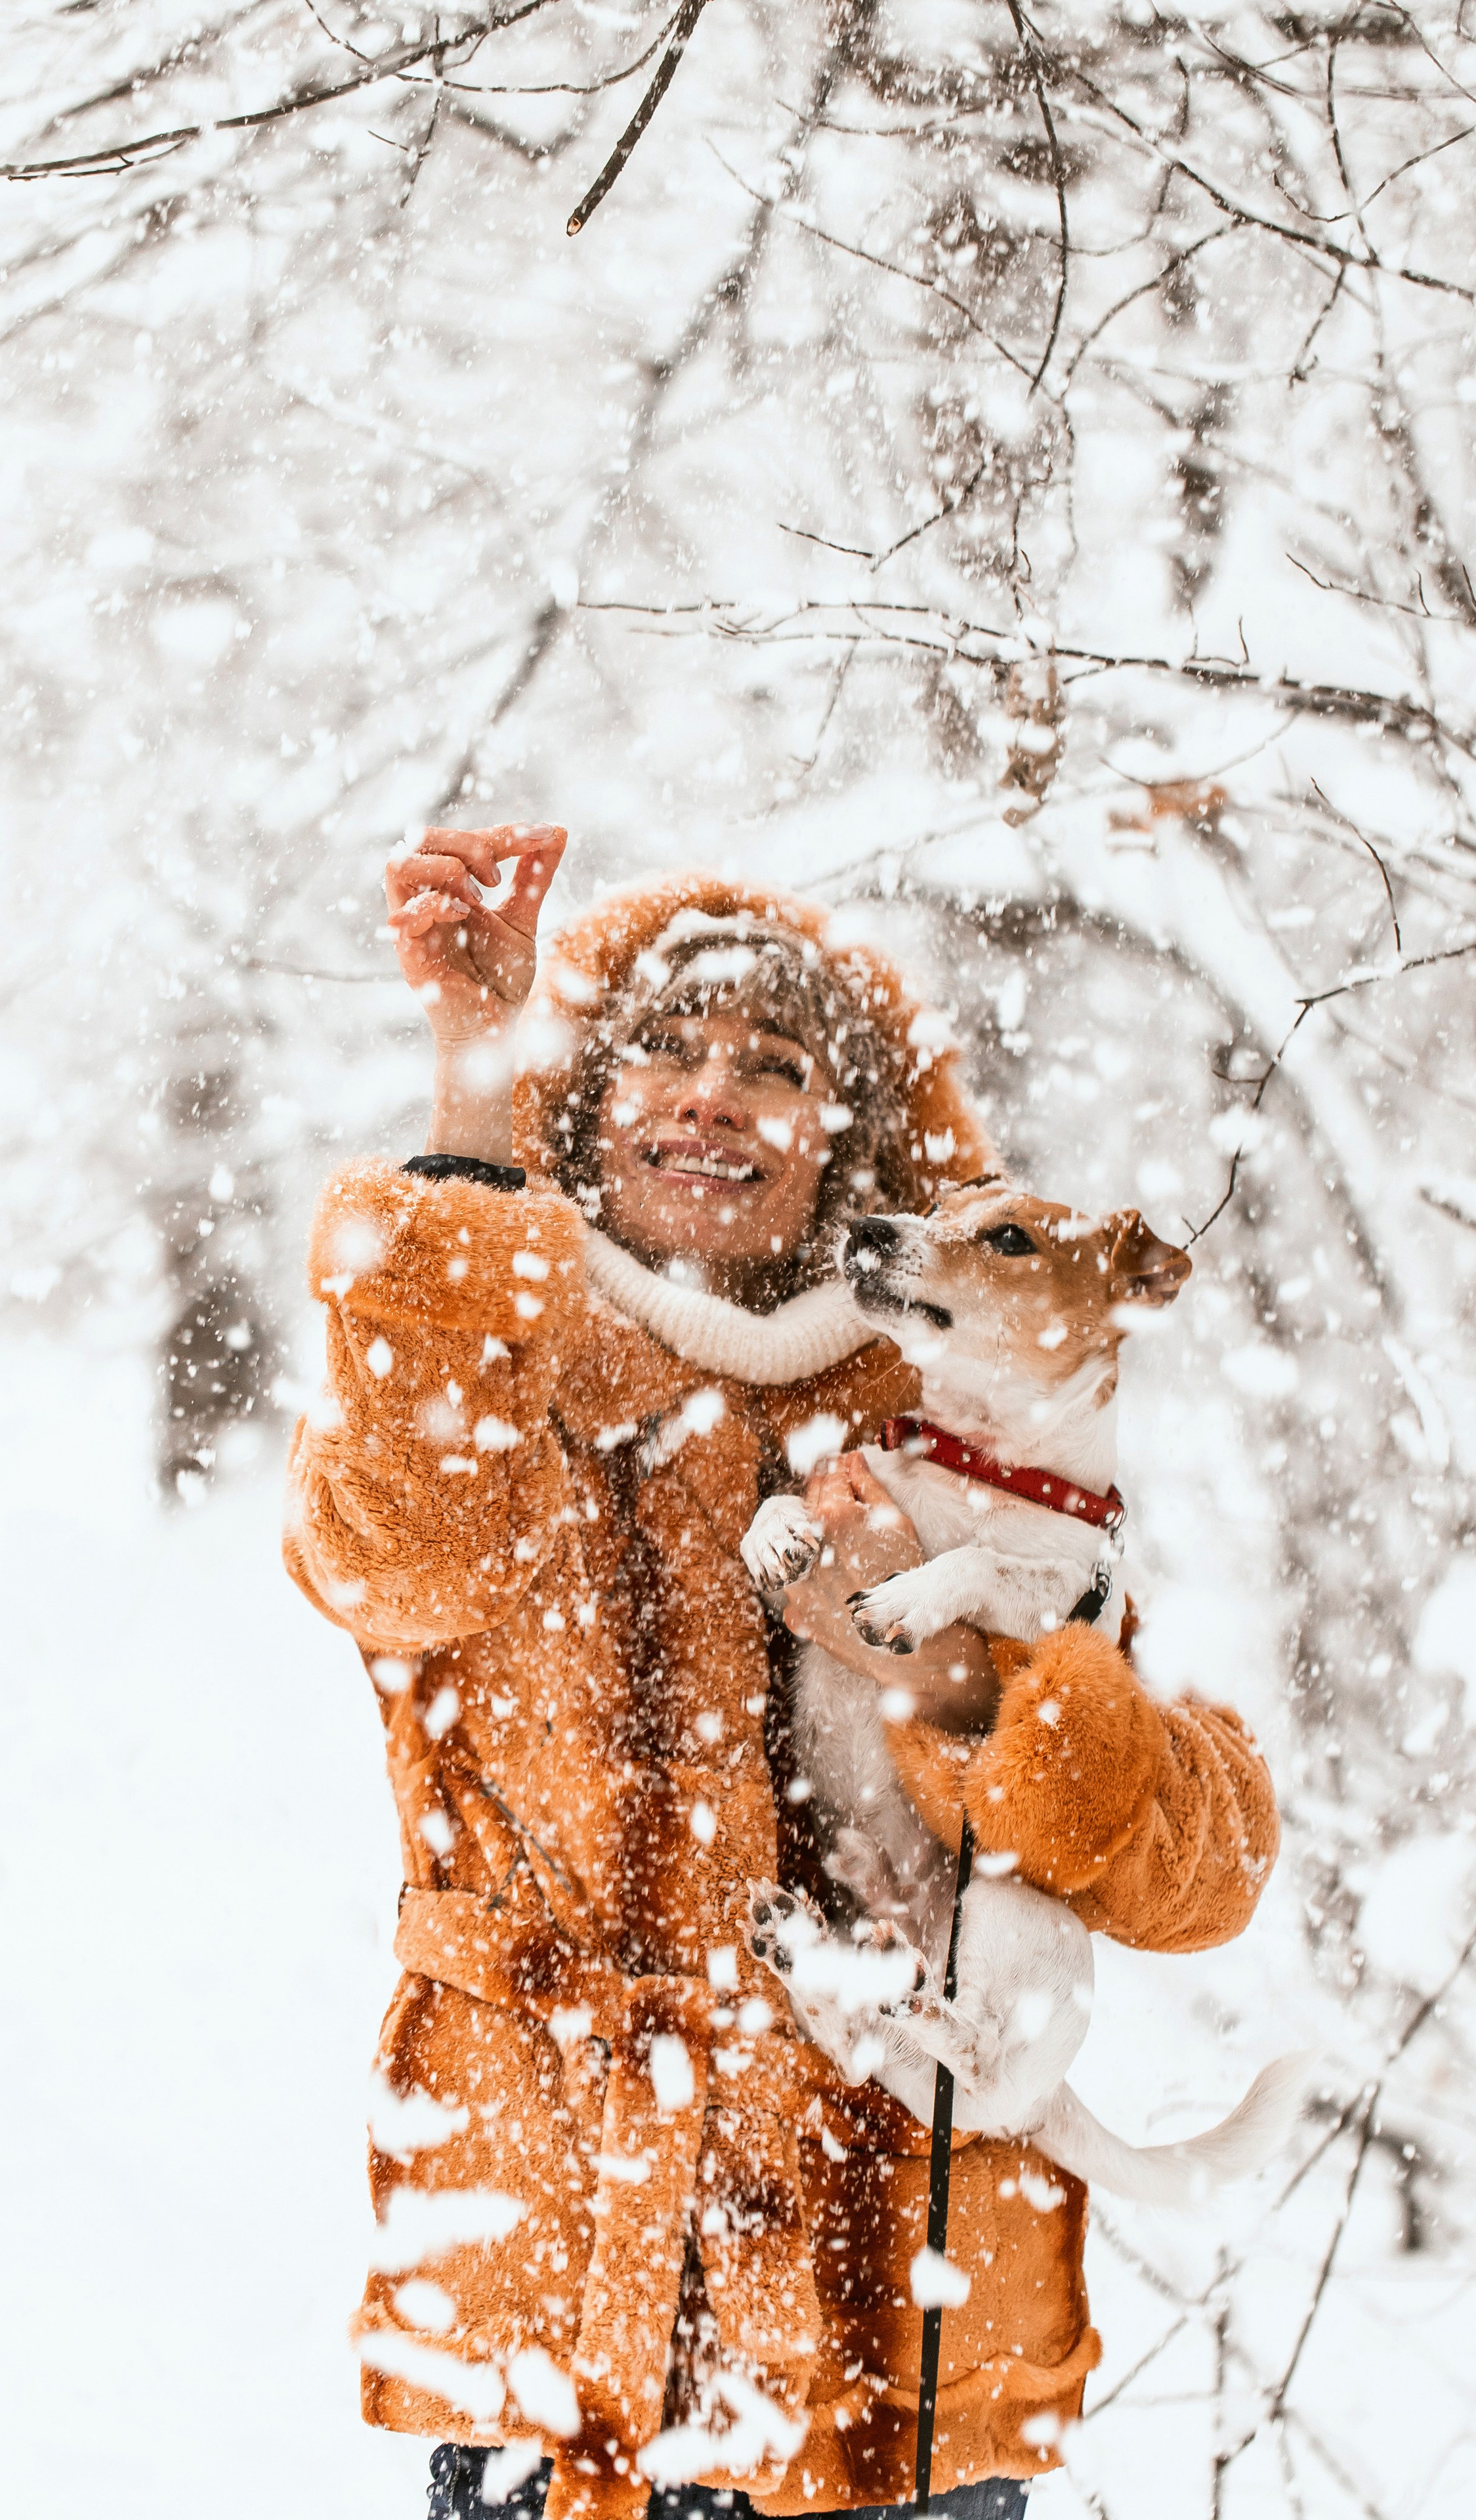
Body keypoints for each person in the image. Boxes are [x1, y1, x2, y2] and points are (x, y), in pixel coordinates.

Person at [284, 827, 1280, 2520]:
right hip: (560, 2291)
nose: (712, 1096)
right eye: (663, 1049)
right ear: (586, 1106)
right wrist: (475, 1082)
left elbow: (1198, 1869)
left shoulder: (974, 1424)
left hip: (903, 2310)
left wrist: (952, 1676)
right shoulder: (489, 1363)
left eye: (776, 1065)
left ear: (849, 1139)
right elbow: (391, 1559)